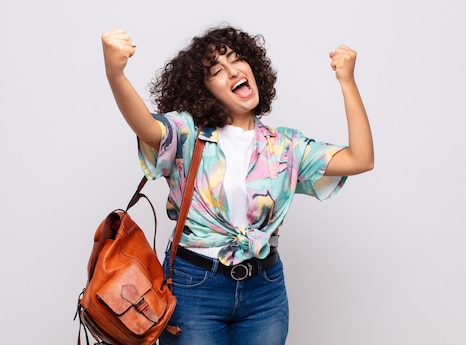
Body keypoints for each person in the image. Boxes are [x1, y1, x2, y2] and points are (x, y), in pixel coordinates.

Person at [101, 24, 374, 345]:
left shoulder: (285, 146)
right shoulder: (188, 134)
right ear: (203, 90)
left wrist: (347, 82)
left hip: (265, 291)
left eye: (237, 59)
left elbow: (360, 159)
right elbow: (147, 127)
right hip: (195, 287)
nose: (233, 72)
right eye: (217, 71)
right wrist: (115, 74)